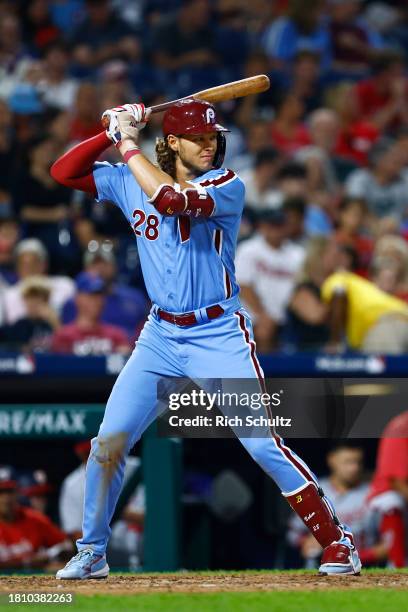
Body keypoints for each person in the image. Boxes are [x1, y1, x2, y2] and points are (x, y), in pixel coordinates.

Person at [50, 99, 361, 578]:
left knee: (261, 445)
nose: (209, 144)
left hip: (218, 333)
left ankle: (338, 542)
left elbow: (169, 201)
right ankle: (92, 551)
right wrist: (108, 132)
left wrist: (127, 142)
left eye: (213, 137)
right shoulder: (132, 176)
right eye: (198, 137)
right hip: (159, 334)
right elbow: (63, 173)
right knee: (107, 444)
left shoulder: (225, 184)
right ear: (172, 142)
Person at [288, 443, 388, 568]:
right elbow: (292, 534)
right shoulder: (313, 491)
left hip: (364, 567)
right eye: (348, 462)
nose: (354, 468)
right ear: (332, 460)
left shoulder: (373, 494)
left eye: (358, 462)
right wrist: (305, 542)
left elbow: (390, 545)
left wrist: (351, 557)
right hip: (321, 567)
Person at [235, 207, 305, 352]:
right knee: (264, 331)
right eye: (272, 225)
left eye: (279, 225)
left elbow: (302, 286)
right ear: (263, 227)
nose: (276, 229)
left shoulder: (297, 253)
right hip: (254, 315)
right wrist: (262, 315)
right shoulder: (249, 249)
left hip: (287, 316)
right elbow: (243, 286)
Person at [61, 244, 148, 340]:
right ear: (86, 269)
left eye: (105, 263)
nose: (100, 268)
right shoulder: (72, 303)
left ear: (115, 267)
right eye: (94, 264)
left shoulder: (135, 298)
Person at [321, 260, 408, 354]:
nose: (388, 284)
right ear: (373, 279)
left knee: (383, 365)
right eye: (385, 278)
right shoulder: (348, 281)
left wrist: (335, 341)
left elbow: (338, 293)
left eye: (392, 279)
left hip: (389, 322)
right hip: (386, 326)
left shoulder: (338, 278)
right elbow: (339, 292)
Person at [0, 465, 72, 570]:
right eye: (1, 492)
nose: (6, 498)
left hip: (32, 583)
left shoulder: (34, 518)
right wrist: (27, 562)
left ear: (18, 493)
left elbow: (66, 546)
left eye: (10, 491)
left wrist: (51, 557)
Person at [50, 271, 130, 356]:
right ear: (78, 298)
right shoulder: (64, 336)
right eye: (91, 295)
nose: (97, 300)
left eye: (100, 295)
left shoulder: (116, 336)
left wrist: (125, 355)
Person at [367, 411, 408, 567]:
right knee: (391, 501)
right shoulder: (401, 426)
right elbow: (396, 481)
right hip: (382, 506)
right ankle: (396, 566)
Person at [2, 238, 75, 324]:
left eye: (33, 263)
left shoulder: (64, 285)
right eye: (23, 264)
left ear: (43, 265)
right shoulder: (9, 295)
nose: (29, 269)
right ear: (17, 268)